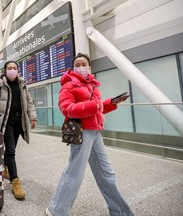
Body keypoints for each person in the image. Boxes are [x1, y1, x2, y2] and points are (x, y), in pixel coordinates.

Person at [45, 53, 134, 216]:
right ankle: (57, 210)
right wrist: (95, 105)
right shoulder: (68, 86)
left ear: (89, 67)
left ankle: (120, 211)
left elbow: (97, 108)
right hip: (82, 132)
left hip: (95, 132)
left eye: (83, 64)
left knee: (106, 173)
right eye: (77, 64)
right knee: (75, 173)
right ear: (73, 68)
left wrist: (109, 103)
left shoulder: (92, 85)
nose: (81, 67)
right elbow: (67, 109)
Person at [0, 60, 37, 200]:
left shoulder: (22, 85)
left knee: (11, 149)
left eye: (14, 68)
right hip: (6, 121)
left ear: (18, 70)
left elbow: (29, 102)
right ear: (5, 71)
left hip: (19, 121)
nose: (12, 70)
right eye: (9, 68)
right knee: (10, 150)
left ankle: (5, 168)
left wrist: (32, 117)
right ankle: (15, 182)